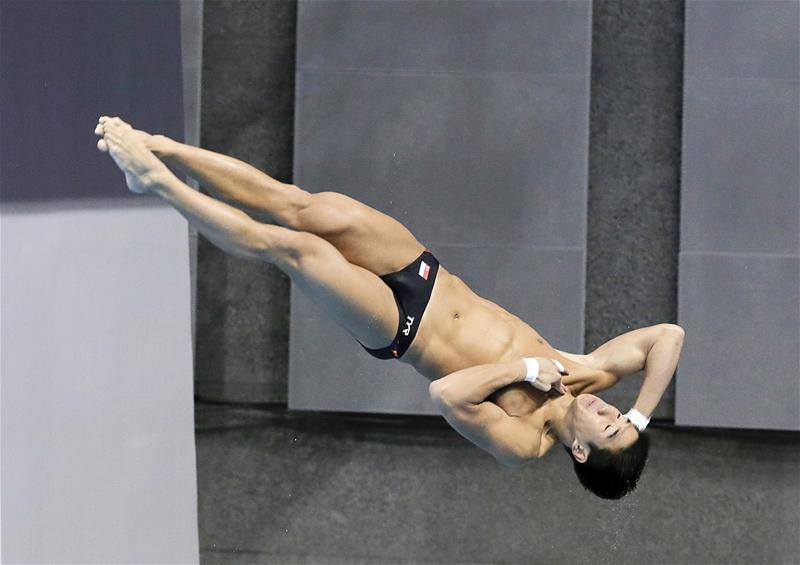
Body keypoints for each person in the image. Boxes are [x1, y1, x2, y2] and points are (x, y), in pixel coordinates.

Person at [95, 116, 685, 499]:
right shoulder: (591, 373)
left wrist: (526, 370)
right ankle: (161, 146)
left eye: (608, 425)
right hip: (422, 270)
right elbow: (668, 336)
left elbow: (446, 396)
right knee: (298, 206)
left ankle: (159, 186)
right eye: (620, 416)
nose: (610, 410)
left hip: (399, 327)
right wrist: (642, 417)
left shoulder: (523, 444)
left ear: (579, 451)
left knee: (292, 249)